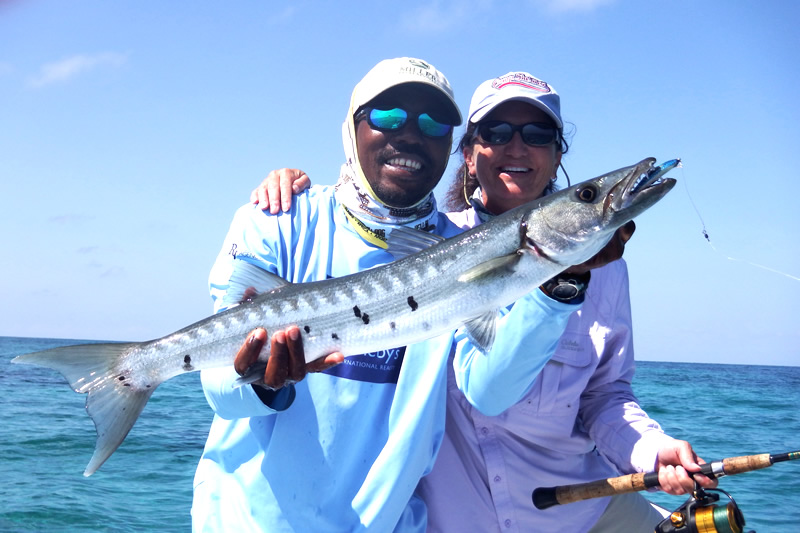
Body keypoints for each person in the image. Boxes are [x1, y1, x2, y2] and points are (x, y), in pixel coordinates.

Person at [253, 72, 716, 532]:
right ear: (470, 156)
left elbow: (604, 394)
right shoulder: (435, 241)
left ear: (557, 157)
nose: (517, 148)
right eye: (496, 133)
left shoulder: (605, 265)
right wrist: (292, 189)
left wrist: (652, 449)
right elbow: (358, 221)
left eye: (538, 135)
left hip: (583, 512)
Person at [191, 58, 582, 533]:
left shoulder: (464, 247)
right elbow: (218, 389)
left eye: (433, 123)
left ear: (451, 148)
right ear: (352, 130)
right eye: (388, 118)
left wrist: (559, 288)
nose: (411, 134)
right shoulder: (277, 218)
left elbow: (490, 391)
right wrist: (258, 380)